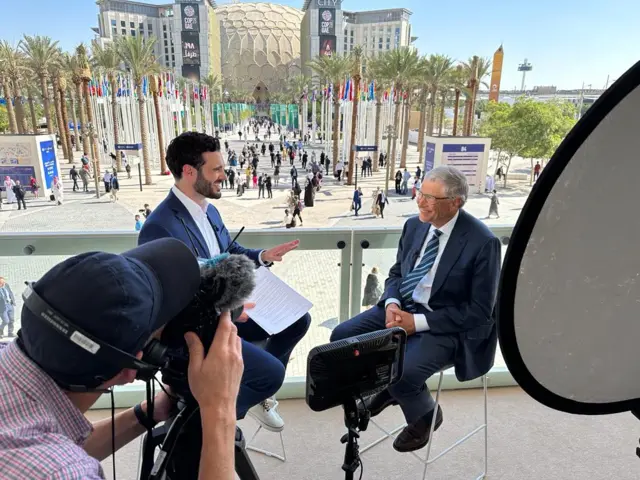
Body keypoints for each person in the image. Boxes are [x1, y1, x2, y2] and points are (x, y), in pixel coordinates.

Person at [0, 238, 244, 480]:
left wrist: (146, 413)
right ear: (131, 370)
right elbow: (56, 465)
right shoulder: (64, 473)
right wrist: (219, 409)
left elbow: (51, 449)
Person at [138, 132, 311, 432]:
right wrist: (227, 312)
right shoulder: (159, 228)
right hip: (196, 330)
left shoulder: (210, 209)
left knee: (299, 320)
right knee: (271, 374)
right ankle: (207, 422)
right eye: (215, 169)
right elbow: (174, 302)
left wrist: (263, 256)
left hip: (226, 312)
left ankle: (240, 389)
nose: (224, 174)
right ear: (190, 172)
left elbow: (229, 252)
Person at [330, 166, 501, 453]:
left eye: (430, 198)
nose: (420, 201)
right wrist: (393, 304)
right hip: (403, 306)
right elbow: (397, 274)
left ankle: (425, 414)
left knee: (403, 373)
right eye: (420, 193)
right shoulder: (414, 225)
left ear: (455, 202)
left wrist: (417, 323)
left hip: (445, 323)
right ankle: (389, 388)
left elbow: (479, 312)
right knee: (342, 338)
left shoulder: (483, 242)